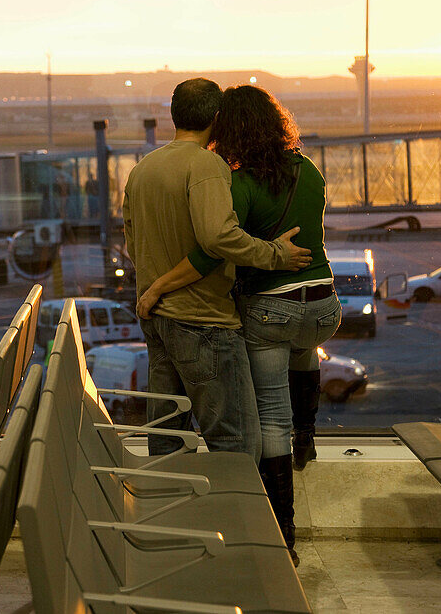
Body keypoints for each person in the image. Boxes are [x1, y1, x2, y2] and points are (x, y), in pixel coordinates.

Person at [136, 85, 340, 566]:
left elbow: (211, 250)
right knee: (302, 345)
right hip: (324, 306)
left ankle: (282, 536)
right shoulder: (309, 170)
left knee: (269, 419)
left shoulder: (237, 182)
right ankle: (307, 433)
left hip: (271, 307)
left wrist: (157, 286)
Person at [122, 78, 312, 464]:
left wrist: (157, 287)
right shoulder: (206, 165)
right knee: (237, 444)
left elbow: (133, 245)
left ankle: (170, 514)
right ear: (218, 117)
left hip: (157, 320)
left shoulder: (143, 169)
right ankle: (238, 523)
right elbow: (217, 238)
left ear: (174, 116)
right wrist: (277, 254)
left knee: (166, 438)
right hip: (203, 322)